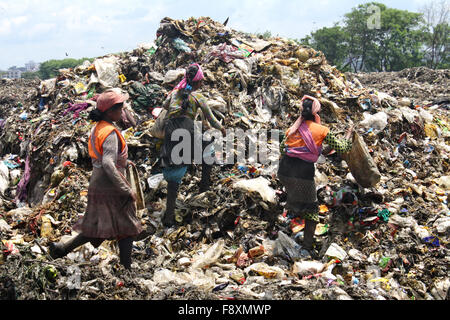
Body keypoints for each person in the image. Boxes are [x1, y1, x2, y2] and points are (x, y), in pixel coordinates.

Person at [49, 89, 142, 269]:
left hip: (97, 183)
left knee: (99, 226)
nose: (122, 111)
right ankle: (126, 268)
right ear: (110, 111)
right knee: (127, 227)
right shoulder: (111, 133)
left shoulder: (98, 128)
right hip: (110, 186)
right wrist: (126, 189)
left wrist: (124, 160)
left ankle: (61, 249)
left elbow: (103, 158)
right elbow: (108, 163)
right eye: (119, 108)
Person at [278, 95, 353, 258]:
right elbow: (341, 148)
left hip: (284, 171)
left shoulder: (292, 129)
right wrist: (348, 134)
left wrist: (311, 151)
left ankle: (289, 222)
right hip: (302, 174)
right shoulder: (322, 130)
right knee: (312, 211)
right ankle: (306, 247)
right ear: (316, 112)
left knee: (297, 199)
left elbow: (282, 149)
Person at [160, 63, 226, 227]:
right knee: (209, 151)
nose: (203, 83)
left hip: (170, 134)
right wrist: (222, 129)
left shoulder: (174, 93)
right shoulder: (198, 97)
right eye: (202, 81)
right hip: (186, 133)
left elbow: (165, 106)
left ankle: (169, 217)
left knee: (174, 175)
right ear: (196, 83)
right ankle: (203, 190)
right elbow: (211, 120)